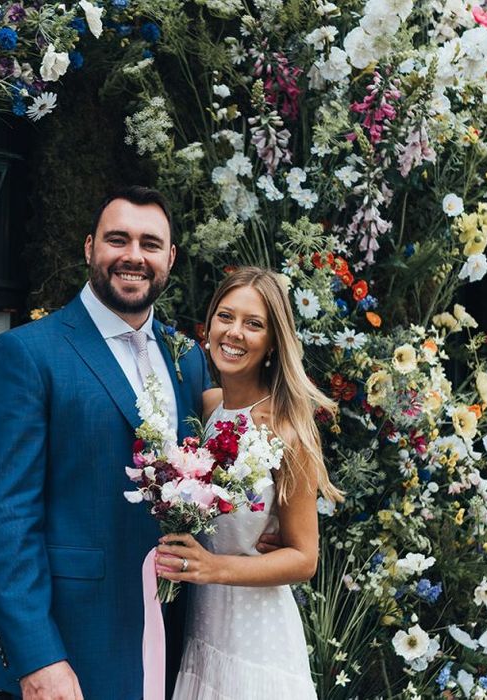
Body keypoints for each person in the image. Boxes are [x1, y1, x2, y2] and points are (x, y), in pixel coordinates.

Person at [0, 186, 211, 699]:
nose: (133, 256)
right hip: (76, 645)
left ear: (169, 258)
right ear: (89, 248)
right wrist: (38, 656)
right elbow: (5, 516)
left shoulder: (187, 358)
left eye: (150, 244)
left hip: (176, 637)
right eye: (116, 239)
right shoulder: (27, 355)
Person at [155, 266, 344, 699]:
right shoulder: (208, 406)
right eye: (225, 316)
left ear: (273, 341)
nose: (234, 332)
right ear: (208, 326)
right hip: (203, 627)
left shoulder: (286, 428)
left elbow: (304, 559)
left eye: (253, 323)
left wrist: (212, 568)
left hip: (256, 637)